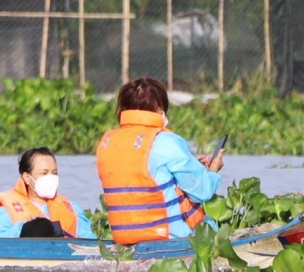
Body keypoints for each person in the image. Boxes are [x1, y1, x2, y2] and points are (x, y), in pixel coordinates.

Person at [95, 76, 223, 245]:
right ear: (159, 108)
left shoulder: (106, 142)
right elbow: (202, 192)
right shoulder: (166, 141)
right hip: (172, 239)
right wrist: (212, 171)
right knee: (210, 226)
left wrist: (193, 166)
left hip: (124, 239)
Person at [0, 147, 82, 238]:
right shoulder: (5, 212)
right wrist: (24, 227)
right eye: (44, 173)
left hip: (66, 252)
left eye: (54, 173)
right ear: (27, 177)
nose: (51, 178)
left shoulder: (73, 208)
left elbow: (90, 241)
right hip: (25, 252)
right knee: (41, 226)